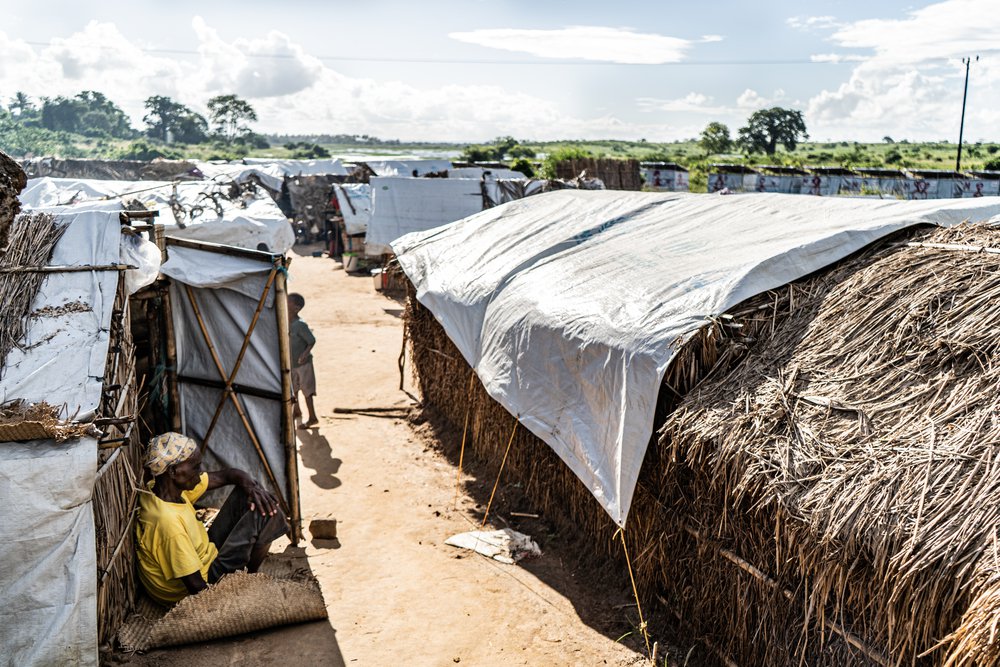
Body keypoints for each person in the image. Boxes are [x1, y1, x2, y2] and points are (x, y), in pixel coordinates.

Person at [136, 432, 288, 605]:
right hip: (206, 580)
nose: (200, 472)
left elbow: (228, 475)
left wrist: (251, 486)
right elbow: (196, 587)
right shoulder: (167, 523)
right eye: (195, 467)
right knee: (266, 513)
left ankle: (247, 568)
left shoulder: (161, 489)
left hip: (204, 554)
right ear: (173, 471)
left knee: (250, 494)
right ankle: (248, 580)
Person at [288, 292, 318, 428]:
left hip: (303, 364)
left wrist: (305, 354)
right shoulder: (286, 322)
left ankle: (312, 417)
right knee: (294, 390)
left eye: (288, 302)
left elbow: (311, 341)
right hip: (291, 364)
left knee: (307, 392)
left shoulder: (300, 325)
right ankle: (297, 411)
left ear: (297, 308)